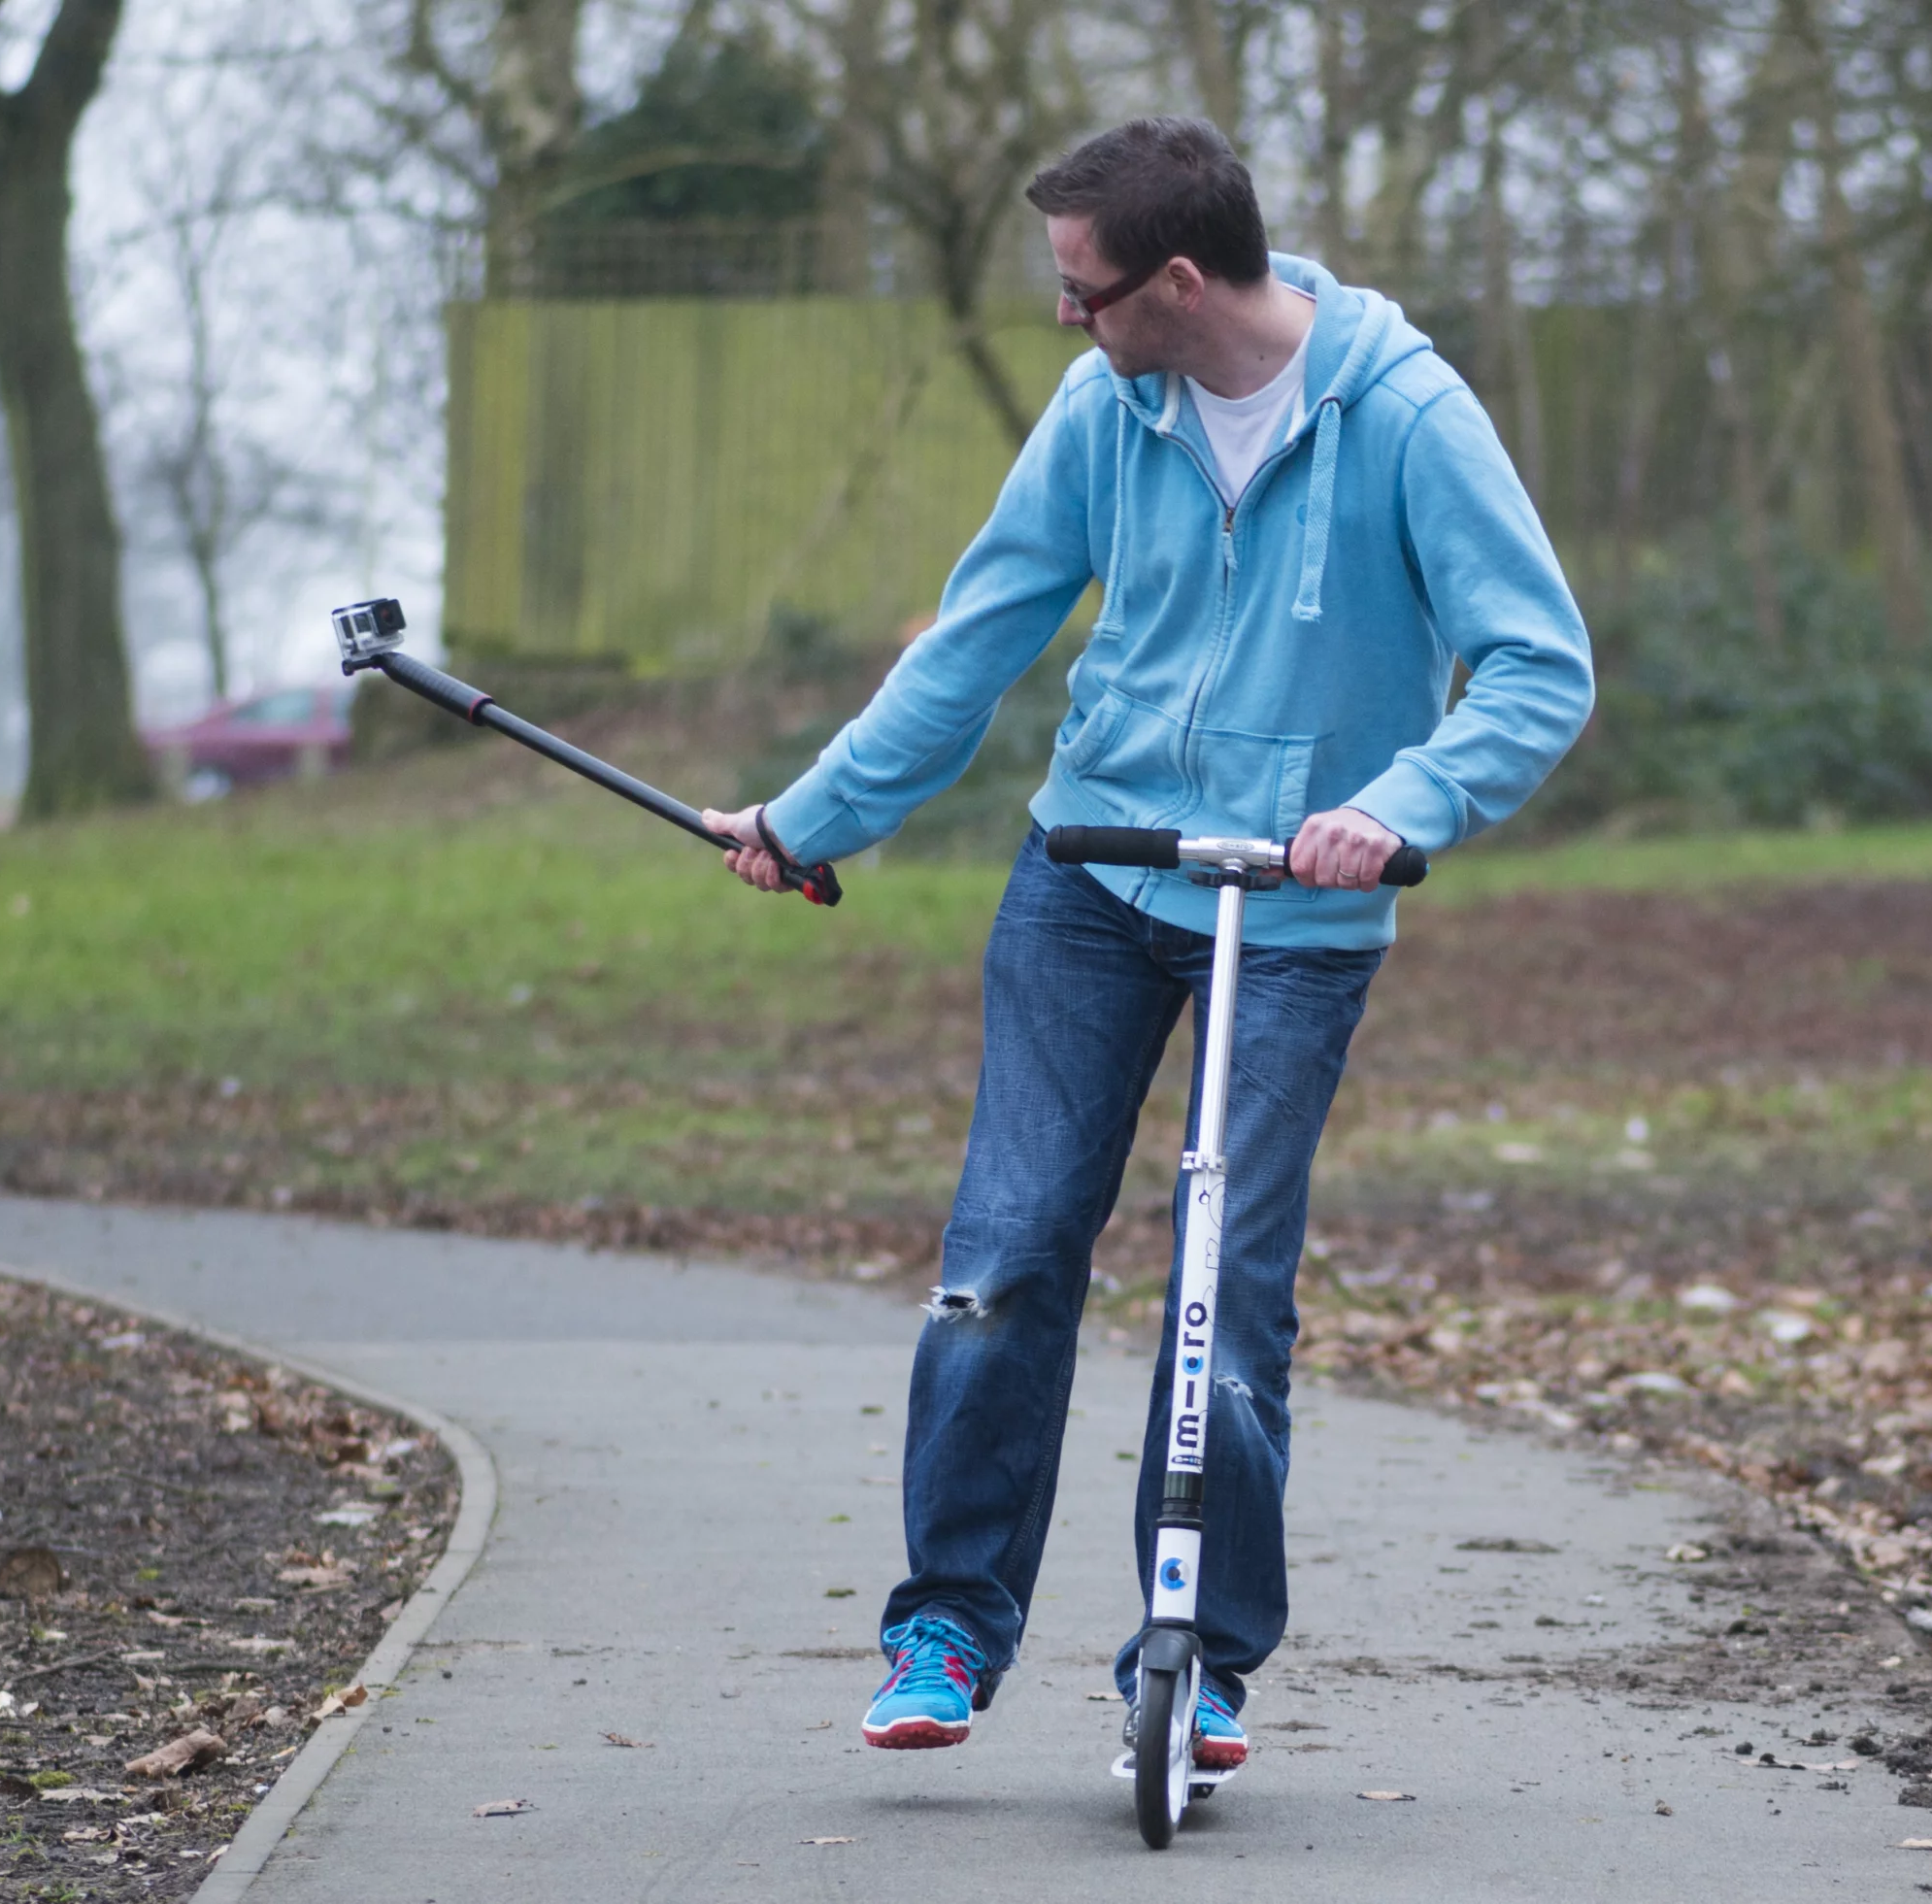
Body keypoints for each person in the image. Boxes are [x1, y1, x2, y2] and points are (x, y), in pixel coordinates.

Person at [704, 116, 1593, 1768]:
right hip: (1091, 881)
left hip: (1299, 908)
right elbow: (979, 635)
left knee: (1224, 1292)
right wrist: (812, 819)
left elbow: (1538, 666)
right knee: (1006, 1255)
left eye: (1083, 290)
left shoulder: (1404, 416)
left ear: (1178, 281)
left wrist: (1405, 806)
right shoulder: (1106, 407)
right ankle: (947, 1633)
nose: (1066, 319)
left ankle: (1198, 1660)